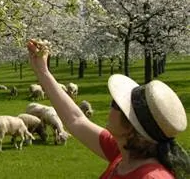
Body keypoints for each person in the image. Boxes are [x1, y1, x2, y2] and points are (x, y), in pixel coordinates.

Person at [26, 39, 190, 179]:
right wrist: (42, 70)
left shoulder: (151, 177)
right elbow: (75, 119)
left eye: (116, 104)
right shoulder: (124, 153)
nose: (111, 105)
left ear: (131, 126)